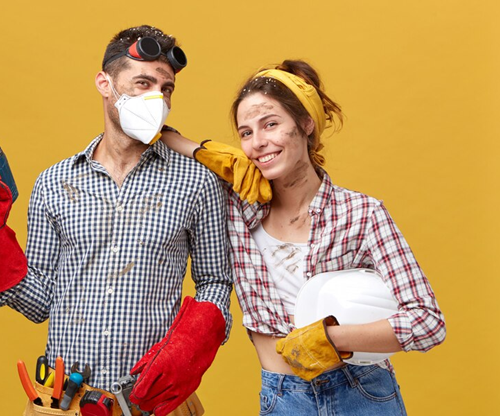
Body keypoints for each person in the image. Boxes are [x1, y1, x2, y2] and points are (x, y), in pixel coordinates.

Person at [0, 25, 232, 416]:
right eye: (142, 83)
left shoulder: (196, 181)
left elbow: (215, 280)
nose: (157, 99)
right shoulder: (54, 183)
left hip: (154, 405)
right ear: (105, 83)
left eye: (165, 89)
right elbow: (41, 303)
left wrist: (192, 344)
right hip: (63, 403)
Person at [160, 59, 446, 415]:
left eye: (271, 124)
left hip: (363, 392)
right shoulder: (235, 208)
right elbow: (156, 135)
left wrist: (331, 338)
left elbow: (427, 321)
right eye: (246, 133)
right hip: (283, 397)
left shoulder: (362, 213)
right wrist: (203, 150)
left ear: (306, 124)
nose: (259, 143)